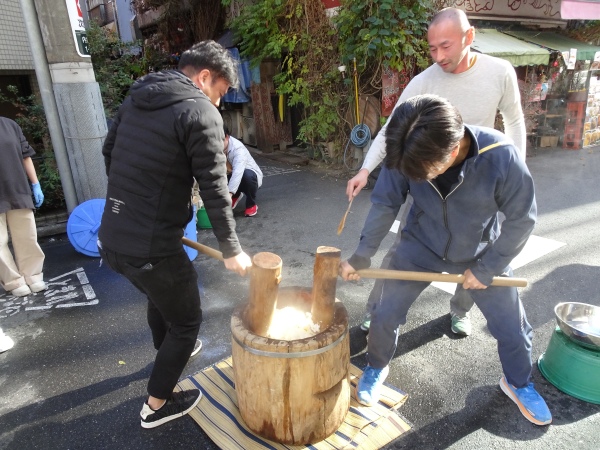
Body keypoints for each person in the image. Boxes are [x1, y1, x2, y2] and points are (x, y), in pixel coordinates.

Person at [339, 94, 550, 426]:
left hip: (481, 250)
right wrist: (362, 255)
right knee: (384, 312)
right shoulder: (408, 147)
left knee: (512, 328)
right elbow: (385, 203)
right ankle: (377, 366)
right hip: (421, 244)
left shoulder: (501, 156)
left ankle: (518, 382)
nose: (412, 177)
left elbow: (522, 220)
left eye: (420, 174)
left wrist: (487, 268)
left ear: (451, 153)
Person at [98, 40, 253, 429]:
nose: (218, 103)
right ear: (204, 77)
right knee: (186, 322)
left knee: (160, 291)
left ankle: (166, 352)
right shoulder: (200, 111)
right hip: (151, 245)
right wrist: (231, 249)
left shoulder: (139, 96)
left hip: (113, 236)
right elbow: (216, 187)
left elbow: (109, 152)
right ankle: (157, 404)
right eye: (219, 93)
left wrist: (134, 203)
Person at [346, 7, 526, 336]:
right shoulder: (424, 82)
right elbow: (392, 129)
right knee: (405, 248)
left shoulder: (499, 72)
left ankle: (460, 310)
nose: (439, 56)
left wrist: (518, 167)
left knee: (474, 254)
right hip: (427, 176)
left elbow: (514, 121)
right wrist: (365, 168)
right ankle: (380, 310)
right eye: (432, 48)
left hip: (476, 178)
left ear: (468, 37)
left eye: (446, 46)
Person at [0, 116, 47, 298]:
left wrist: (35, 184)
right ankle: (14, 281)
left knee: (27, 236)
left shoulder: (10, 124)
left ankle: (33, 276)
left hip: (18, 189)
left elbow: (25, 156)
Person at [223, 124, 263, 217]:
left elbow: (238, 172)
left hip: (248, 176)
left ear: (227, 137)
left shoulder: (238, 148)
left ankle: (251, 204)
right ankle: (236, 195)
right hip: (230, 174)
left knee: (247, 175)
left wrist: (229, 193)